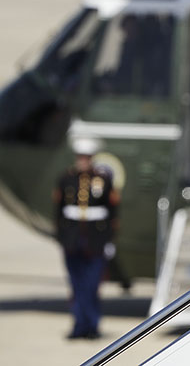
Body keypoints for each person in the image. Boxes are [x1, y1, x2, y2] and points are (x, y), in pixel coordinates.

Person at [53, 136, 119, 339]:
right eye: (80, 157)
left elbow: (113, 212)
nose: (83, 161)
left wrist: (109, 240)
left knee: (91, 285)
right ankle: (79, 325)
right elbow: (58, 210)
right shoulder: (66, 179)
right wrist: (62, 238)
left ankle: (92, 325)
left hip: (95, 239)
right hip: (73, 239)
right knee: (76, 284)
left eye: (87, 157)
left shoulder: (103, 180)